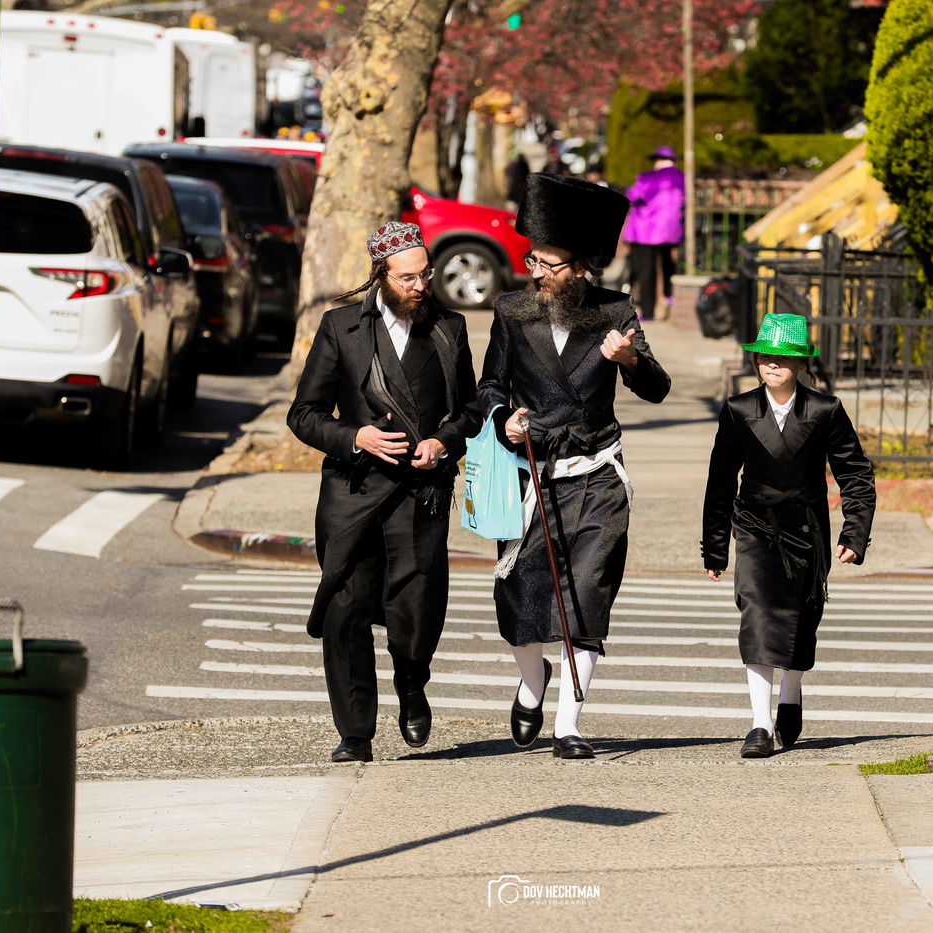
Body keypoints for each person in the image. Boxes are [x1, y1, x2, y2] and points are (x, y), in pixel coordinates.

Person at [479, 173, 671, 760]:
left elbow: (658, 388)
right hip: (533, 474)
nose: (537, 272)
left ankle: (569, 725)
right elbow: (488, 385)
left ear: (582, 267)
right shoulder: (513, 313)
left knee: (588, 596)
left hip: (597, 478)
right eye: (533, 259)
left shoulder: (617, 313)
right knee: (523, 597)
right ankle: (532, 683)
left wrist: (631, 357)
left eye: (551, 264)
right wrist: (503, 416)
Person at [287, 221, 481, 763]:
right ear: (382, 275)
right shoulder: (340, 327)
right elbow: (302, 415)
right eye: (408, 278)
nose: (420, 286)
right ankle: (355, 733)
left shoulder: (449, 328)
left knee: (416, 609)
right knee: (345, 611)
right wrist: (355, 437)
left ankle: (412, 683)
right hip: (353, 493)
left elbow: (469, 409)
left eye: (426, 274)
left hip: (421, 493)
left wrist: (443, 442)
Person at [701, 313, 875, 758]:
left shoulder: (825, 410)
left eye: (783, 358)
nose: (772, 365)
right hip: (755, 525)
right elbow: (720, 479)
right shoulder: (739, 410)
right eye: (765, 356)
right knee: (756, 611)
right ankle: (759, 725)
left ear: (800, 364)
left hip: (807, 529)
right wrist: (715, 546)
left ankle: (791, 691)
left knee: (802, 615)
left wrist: (855, 533)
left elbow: (855, 475)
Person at [622, 145, 685, 321]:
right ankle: (669, 295)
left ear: (659, 160)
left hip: (646, 231)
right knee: (668, 264)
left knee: (646, 271)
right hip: (671, 230)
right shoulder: (682, 178)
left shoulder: (647, 178)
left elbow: (632, 195)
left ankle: (648, 312)